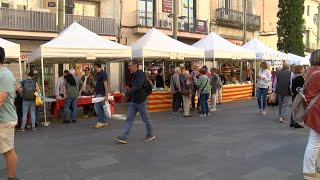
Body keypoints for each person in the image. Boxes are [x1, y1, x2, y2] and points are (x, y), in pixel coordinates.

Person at [114, 59, 155, 144]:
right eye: (128, 65)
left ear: (135, 65)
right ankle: (124, 137)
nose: (129, 67)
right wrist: (129, 89)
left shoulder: (141, 74)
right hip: (133, 100)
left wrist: (127, 93)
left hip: (141, 100)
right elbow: (134, 87)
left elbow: (138, 87)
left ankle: (150, 134)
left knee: (146, 118)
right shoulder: (133, 75)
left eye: (130, 65)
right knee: (129, 118)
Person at [0, 47, 19, 180]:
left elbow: (0, 101)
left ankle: (12, 178)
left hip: (5, 120)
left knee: (7, 151)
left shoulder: (5, 75)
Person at [303, 50, 320, 179]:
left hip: (312, 109)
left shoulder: (311, 71)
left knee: (316, 140)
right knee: (314, 141)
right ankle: (309, 171)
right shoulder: (318, 73)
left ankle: (315, 166)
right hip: (317, 110)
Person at [93, 62, 109, 128]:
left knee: (96, 106)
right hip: (99, 92)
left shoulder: (103, 73)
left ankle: (100, 121)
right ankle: (104, 121)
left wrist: (106, 95)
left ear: (96, 66)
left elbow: (105, 84)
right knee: (101, 107)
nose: (93, 67)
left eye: (94, 66)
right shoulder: (98, 74)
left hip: (101, 93)